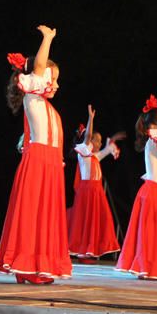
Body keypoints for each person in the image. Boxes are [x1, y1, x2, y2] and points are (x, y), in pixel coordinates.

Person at [0, 25, 71, 284]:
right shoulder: (32, 98)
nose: (55, 84)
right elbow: (38, 68)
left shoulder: (45, 105)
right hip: (37, 163)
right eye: (53, 78)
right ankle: (25, 266)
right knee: (32, 214)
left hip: (49, 165)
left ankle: (38, 264)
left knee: (45, 216)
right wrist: (47, 39)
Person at [115, 89, 157, 281]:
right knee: (153, 234)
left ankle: (152, 267)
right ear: (154, 126)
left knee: (156, 233)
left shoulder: (156, 140)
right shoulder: (154, 139)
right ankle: (149, 266)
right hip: (153, 192)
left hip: (156, 192)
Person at [67, 105, 123, 264]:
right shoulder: (83, 153)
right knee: (84, 222)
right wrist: (91, 119)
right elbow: (88, 136)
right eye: (95, 140)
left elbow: (106, 150)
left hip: (96, 192)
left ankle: (89, 251)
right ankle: (83, 253)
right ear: (87, 141)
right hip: (87, 192)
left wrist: (112, 141)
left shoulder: (94, 156)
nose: (97, 143)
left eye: (99, 141)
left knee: (95, 222)